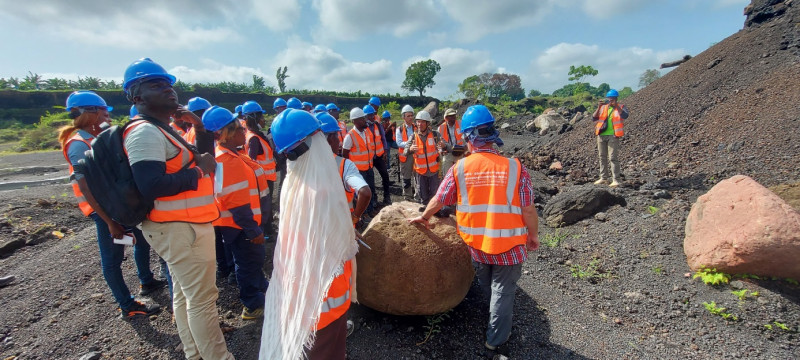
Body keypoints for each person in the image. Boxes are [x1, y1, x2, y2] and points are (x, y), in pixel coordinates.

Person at [121, 58, 234, 360]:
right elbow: (152, 184)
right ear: (137, 97)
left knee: (185, 296)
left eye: (169, 84)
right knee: (202, 300)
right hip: (178, 226)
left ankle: (194, 353)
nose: (169, 90)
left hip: (184, 224)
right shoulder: (145, 132)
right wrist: (199, 172)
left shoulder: (163, 129)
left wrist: (198, 126)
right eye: (157, 85)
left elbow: (203, 158)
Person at [409, 105, 539, 356]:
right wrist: (533, 236)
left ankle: (494, 318)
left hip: (477, 244)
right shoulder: (515, 167)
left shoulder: (459, 168)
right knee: (503, 290)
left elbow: (439, 198)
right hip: (510, 245)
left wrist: (423, 217)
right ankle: (495, 339)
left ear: (468, 137)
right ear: (492, 134)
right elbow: (529, 210)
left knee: (487, 283)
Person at [259, 109, 358, 360]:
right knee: (327, 350)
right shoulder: (323, 191)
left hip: (303, 291)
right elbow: (337, 244)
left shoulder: (293, 185)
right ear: (313, 142)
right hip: (327, 297)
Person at [59, 91, 165, 320]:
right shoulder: (78, 144)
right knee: (112, 259)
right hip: (105, 212)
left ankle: (146, 280)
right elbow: (86, 186)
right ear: (91, 113)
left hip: (118, 206)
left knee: (141, 240)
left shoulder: (95, 137)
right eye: (104, 112)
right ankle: (127, 305)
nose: (108, 117)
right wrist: (109, 221)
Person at [203, 106, 269, 321]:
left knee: (253, 260)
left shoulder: (234, 154)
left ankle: (261, 289)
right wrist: (252, 230)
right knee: (247, 263)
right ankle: (252, 305)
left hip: (244, 224)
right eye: (239, 129)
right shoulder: (227, 161)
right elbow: (236, 202)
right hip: (240, 226)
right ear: (226, 134)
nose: (244, 132)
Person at [317, 111, 373, 227]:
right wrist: (356, 217)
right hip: (342, 227)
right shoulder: (343, 164)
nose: (339, 141)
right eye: (337, 136)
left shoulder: (301, 166)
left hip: (319, 228)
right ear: (330, 139)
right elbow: (365, 193)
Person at [242, 100, 277, 235]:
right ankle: (265, 231)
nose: (263, 120)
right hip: (263, 179)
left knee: (265, 205)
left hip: (265, 177)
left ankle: (267, 229)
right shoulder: (254, 138)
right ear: (254, 118)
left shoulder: (256, 136)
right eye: (261, 117)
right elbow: (252, 161)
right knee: (264, 206)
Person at [342, 108, 377, 216]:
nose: (365, 121)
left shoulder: (366, 132)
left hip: (369, 167)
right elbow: (345, 154)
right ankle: (363, 214)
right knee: (360, 194)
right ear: (355, 121)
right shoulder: (350, 136)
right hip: (358, 171)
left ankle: (370, 210)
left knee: (370, 189)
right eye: (362, 119)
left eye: (364, 118)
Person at [592, 89, 629, 188]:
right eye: (609, 98)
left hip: (613, 135)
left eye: (613, 98)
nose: (610, 100)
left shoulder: (621, 107)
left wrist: (616, 105)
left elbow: (625, 115)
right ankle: (603, 178)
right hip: (601, 135)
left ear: (616, 98)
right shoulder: (603, 107)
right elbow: (594, 118)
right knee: (602, 157)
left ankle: (616, 179)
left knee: (613, 157)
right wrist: (599, 107)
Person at [406, 110, 441, 212]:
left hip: (434, 172)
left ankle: (435, 213)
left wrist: (443, 146)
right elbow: (404, 152)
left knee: (434, 195)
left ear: (427, 123)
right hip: (420, 173)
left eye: (422, 122)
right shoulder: (413, 137)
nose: (419, 124)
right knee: (423, 196)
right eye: (418, 122)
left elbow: (446, 146)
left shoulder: (435, 135)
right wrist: (410, 149)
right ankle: (425, 216)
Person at [363, 105, 391, 209]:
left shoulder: (377, 126)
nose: (372, 117)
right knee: (370, 179)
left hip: (378, 157)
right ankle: (373, 199)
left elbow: (383, 139)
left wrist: (385, 151)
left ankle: (387, 196)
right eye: (370, 115)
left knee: (385, 175)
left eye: (373, 115)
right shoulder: (363, 128)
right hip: (369, 158)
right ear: (365, 116)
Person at [395, 105, 417, 201]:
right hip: (406, 156)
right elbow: (399, 143)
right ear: (403, 117)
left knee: (418, 176)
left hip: (416, 155)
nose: (411, 117)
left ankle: (418, 195)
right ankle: (407, 197)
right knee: (407, 178)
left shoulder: (417, 127)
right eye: (408, 116)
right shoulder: (399, 129)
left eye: (412, 115)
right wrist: (410, 145)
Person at [438, 108, 465, 174]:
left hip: (459, 152)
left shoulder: (460, 124)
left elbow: (466, 137)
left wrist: (465, 150)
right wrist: (441, 151)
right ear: (446, 118)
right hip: (448, 153)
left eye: (454, 115)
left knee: (460, 174)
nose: (453, 117)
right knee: (447, 174)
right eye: (450, 116)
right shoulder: (441, 128)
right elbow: (439, 142)